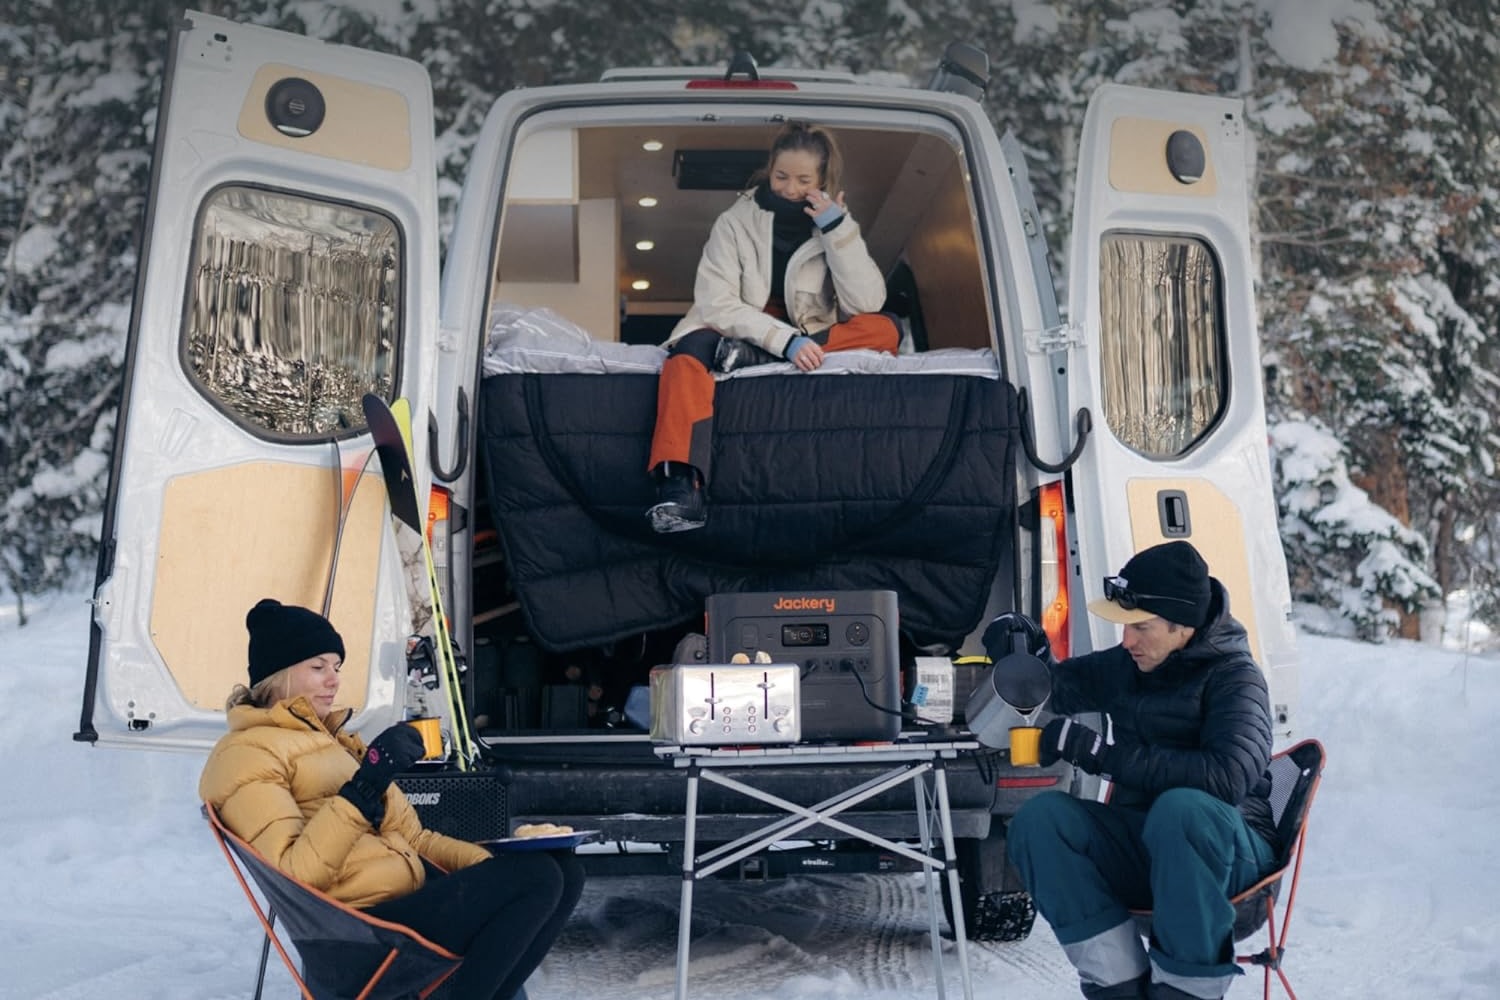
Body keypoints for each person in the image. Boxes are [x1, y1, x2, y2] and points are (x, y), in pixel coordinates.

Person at [200, 598, 584, 1000]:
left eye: (337, 668)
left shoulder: (334, 744)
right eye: (318, 667)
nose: (334, 680)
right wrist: (362, 790)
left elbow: (415, 840)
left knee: (561, 870)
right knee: (537, 879)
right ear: (276, 676)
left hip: (406, 901)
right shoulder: (246, 754)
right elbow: (297, 876)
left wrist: (493, 862)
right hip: (356, 929)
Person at [984, 541, 1275, 1000]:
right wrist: (1026, 654)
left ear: (1183, 628)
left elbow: (1229, 777)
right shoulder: (1131, 665)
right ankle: (1119, 985)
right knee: (1041, 821)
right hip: (1148, 849)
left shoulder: (1235, 677)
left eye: (1141, 627)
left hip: (1228, 858)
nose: (1127, 641)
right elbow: (1058, 687)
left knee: (1181, 811)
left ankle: (1186, 992)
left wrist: (1104, 756)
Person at [646, 120, 900, 532]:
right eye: (781, 176)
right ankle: (681, 486)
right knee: (686, 355)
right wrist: (782, 343)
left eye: (803, 179)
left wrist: (838, 230)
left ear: (822, 180)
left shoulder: (835, 225)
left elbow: (866, 304)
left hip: (809, 336)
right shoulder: (734, 223)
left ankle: (750, 360)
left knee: (886, 329)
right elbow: (717, 302)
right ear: (769, 170)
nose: (789, 188)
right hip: (734, 330)